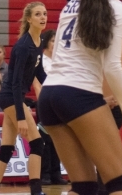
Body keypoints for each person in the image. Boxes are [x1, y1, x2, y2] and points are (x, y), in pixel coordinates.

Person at [37, 0, 122, 195]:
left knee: (83, 187)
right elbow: (113, 67)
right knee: (119, 184)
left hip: (49, 96)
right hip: (78, 95)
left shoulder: (71, 4)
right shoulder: (116, 9)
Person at [0, 2, 47, 195]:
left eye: (44, 14)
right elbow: (14, 83)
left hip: (12, 99)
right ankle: (36, 191)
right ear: (29, 19)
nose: (43, 17)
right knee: (37, 143)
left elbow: (40, 73)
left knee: (6, 148)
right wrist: (21, 116)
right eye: (38, 14)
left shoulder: (38, 42)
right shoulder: (23, 46)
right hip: (11, 98)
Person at [37, 30, 68, 186]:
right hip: (45, 101)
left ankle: (56, 173)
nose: (55, 44)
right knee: (45, 139)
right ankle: (46, 174)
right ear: (46, 42)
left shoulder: (60, 60)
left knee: (58, 138)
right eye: (52, 40)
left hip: (60, 101)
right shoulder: (41, 61)